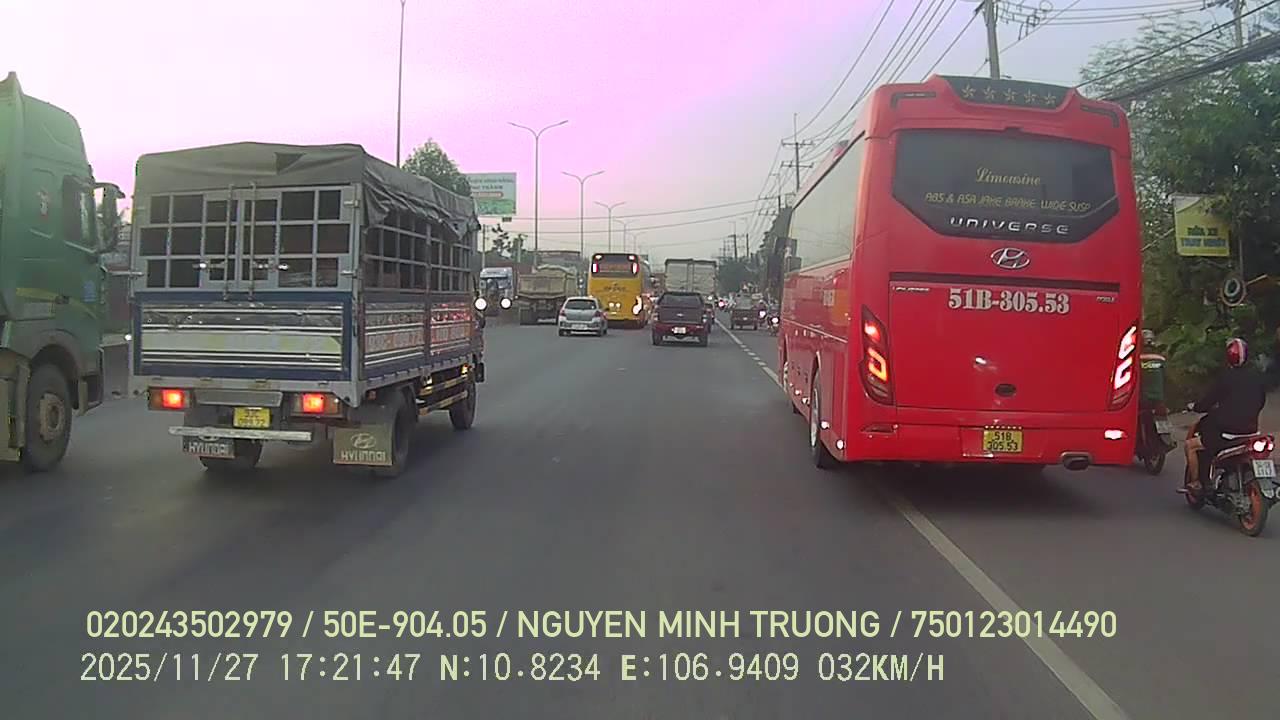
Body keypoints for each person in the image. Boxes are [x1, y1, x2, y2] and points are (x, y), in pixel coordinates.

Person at [1185, 337, 1267, 491]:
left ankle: (1196, 483)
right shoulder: (1257, 378)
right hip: (1251, 431)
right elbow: (1261, 401)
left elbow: (1207, 402)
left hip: (1226, 433)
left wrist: (1195, 406)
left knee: (1191, 445)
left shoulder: (1225, 378)